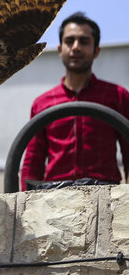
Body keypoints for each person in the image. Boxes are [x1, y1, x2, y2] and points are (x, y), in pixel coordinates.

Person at [21, 12, 129, 191]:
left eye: (84, 41)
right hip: (53, 198)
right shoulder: (42, 103)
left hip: (107, 194)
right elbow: (33, 161)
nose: (76, 47)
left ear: (96, 51)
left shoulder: (118, 96)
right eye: (69, 41)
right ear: (60, 50)